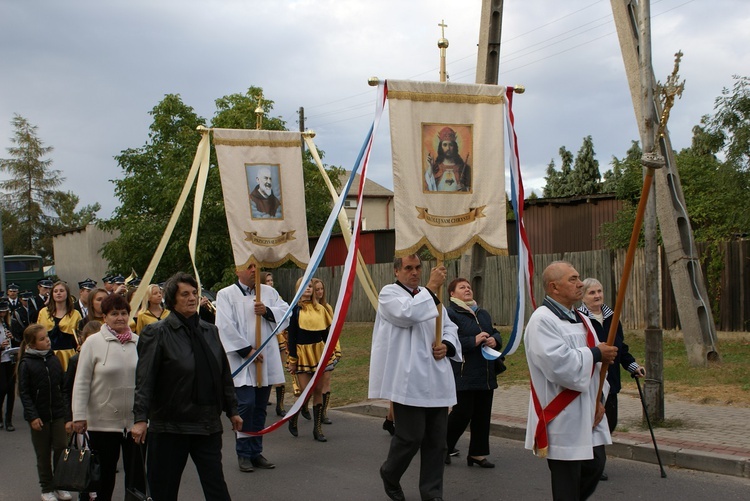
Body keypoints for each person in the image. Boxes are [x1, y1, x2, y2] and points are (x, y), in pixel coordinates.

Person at [132, 272, 242, 501]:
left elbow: (222, 374)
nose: (192, 298)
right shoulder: (157, 333)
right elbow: (145, 379)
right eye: (185, 294)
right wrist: (140, 418)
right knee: (164, 489)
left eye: (194, 293)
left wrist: (232, 410)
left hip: (207, 424)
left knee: (216, 488)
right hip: (170, 426)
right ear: (172, 300)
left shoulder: (209, 331)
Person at [368, 254, 462, 501]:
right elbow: (407, 314)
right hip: (407, 378)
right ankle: (390, 473)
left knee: (436, 442)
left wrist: (448, 346)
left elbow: (450, 327)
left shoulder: (431, 296)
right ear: (396, 271)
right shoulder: (389, 294)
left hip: (435, 376)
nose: (414, 272)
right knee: (410, 437)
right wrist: (432, 287)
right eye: (408, 268)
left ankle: (432, 494)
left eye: (418, 267)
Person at [524, 261, 618, 501]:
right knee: (567, 480)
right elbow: (559, 366)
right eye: (573, 279)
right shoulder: (542, 321)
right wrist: (597, 353)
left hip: (588, 409)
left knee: (595, 466)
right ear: (554, 287)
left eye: (579, 278)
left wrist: (600, 400)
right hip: (562, 415)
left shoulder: (581, 318)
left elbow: (598, 369)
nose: (580, 284)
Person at [215, 263, 289, 472]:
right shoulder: (226, 294)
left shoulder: (269, 292)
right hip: (242, 359)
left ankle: (256, 451)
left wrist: (267, 311)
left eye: (256, 266)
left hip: (264, 359)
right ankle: (243, 453)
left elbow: (286, 314)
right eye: (248, 267)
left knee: (259, 407)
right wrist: (247, 351)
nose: (253, 270)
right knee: (245, 405)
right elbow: (224, 325)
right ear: (237, 270)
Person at [72, 294, 144, 501]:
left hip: (134, 424)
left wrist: (145, 417)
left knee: (136, 478)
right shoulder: (92, 343)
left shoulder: (139, 342)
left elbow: (146, 383)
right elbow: (82, 381)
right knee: (104, 478)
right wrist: (79, 415)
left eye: (124, 313)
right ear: (104, 317)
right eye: (114, 314)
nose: (120, 318)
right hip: (102, 424)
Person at [578, 277, 646, 481]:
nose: (597, 296)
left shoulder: (612, 318)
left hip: (611, 383)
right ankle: (593, 466)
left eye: (599, 291)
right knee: (593, 423)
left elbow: (621, 348)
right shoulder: (579, 319)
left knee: (610, 422)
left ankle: (592, 462)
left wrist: (633, 366)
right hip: (590, 381)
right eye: (592, 292)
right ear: (583, 296)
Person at [444, 278, 503, 468]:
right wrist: (473, 340)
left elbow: (495, 331)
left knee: (482, 414)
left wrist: (495, 339)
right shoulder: (450, 313)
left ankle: (477, 454)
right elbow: (448, 341)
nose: (467, 289)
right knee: (462, 413)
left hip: (486, 371)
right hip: (464, 371)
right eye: (462, 287)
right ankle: (442, 447)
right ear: (452, 294)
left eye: (469, 287)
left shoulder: (482, 313)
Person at [17, 323, 73, 501]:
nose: (47, 341)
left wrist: (66, 413)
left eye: (47, 337)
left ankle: (60, 486)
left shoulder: (53, 358)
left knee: (61, 449)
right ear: (32, 344)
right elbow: (24, 393)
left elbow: (63, 386)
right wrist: (33, 416)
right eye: (42, 339)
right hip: (39, 416)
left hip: (57, 414)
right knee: (43, 454)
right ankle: (47, 488)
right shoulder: (26, 364)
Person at [311, 278, 342, 425]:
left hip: (328, 347)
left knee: (327, 380)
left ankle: (323, 412)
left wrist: (335, 348)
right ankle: (306, 407)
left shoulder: (327, 307)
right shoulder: (309, 309)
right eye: (316, 289)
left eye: (321, 289)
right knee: (315, 384)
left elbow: (332, 329)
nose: (319, 292)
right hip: (313, 350)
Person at [36, 281, 83, 372]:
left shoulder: (75, 314)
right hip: (48, 355)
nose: (58, 293)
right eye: (55, 291)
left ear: (67, 293)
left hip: (69, 354)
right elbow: (37, 333)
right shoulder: (43, 312)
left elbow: (80, 335)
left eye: (61, 291)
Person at [261, 271, 289, 418]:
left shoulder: (274, 295)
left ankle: (280, 404)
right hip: (263, 337)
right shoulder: (258, 295)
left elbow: (284, 311)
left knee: (278, 370)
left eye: (271, 281)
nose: (270, 283)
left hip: (277, 336)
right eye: (267, 281)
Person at [425, 126, 471, 192]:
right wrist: (430, 168)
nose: (448, 148)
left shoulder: (465, 168)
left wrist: (465, 189)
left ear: (455, 147)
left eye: (451, 145)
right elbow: (427, 188)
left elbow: (472, 190)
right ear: (440, 147)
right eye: (445, 145)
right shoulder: (435, 168)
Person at [0, 300, 19, 431]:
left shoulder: (7, 324)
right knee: (2, 389)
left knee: (11, 390)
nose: (3, 313)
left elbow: (16, 340)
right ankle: (0, 418)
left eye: (4, 311)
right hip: (0, 360)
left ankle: (8, 420)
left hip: (9, 360)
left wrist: (11, 338)